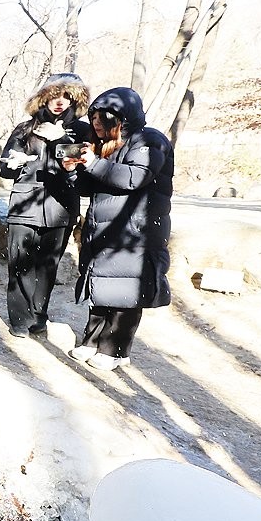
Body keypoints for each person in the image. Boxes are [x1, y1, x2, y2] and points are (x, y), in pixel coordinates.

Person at [61, 86, 174, 370]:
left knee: (125, 293)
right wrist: (74, 168)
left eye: (102, 119)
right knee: (101, 287)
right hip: (104, 228)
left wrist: (96, 163)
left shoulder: (150, 140)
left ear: (121, 118)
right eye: (93, 118)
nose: (95, 124)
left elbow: (135, 177)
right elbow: (90, 187)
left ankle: (115, 350)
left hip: (135, 232)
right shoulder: (108, 147)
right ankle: (92, 341)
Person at [0, 73, 92, 337]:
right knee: (20, 264)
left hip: (61, 206)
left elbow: (81, 169)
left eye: (66, 96)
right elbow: (4, 169)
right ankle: (19, 318)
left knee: (47, 265)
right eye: (54, 96)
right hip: (24, 205)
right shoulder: (25, 129)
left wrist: (61, 138)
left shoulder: (82, 131)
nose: (60, 102)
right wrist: (11, 164)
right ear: (44, 98)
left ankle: (38, 314)